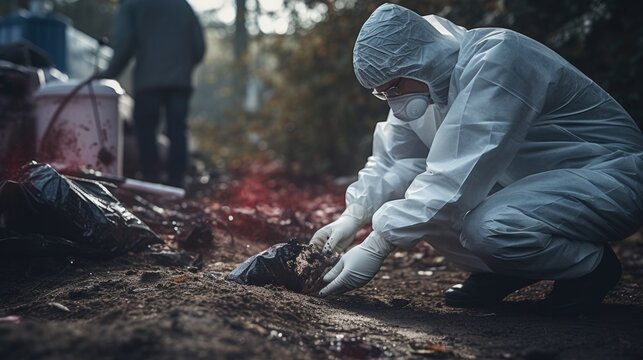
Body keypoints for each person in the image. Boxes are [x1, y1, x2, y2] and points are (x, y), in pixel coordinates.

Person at [310, 3, 643, 315]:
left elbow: (457, 173)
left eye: (393, 87)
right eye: (382, 93)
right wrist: (353, 215)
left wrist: (377, 243)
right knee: (421, 195)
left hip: (609, 176)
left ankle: (591, 270)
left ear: (418, 60)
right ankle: (508, 270)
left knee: (488, 226)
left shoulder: (498, 57)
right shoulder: (425, 89)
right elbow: (394, 162)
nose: (392, 101)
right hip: (534, 185)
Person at [99, 0, 206, 187]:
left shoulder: (133, 5)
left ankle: (151, 177)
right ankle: (177, 180)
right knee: (177, 129)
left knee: (146, 128)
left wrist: (109, 73)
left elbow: (125, 43)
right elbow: (199, 47)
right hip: (180, 83)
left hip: (148, 82)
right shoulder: (182, 5)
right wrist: (183, 67)